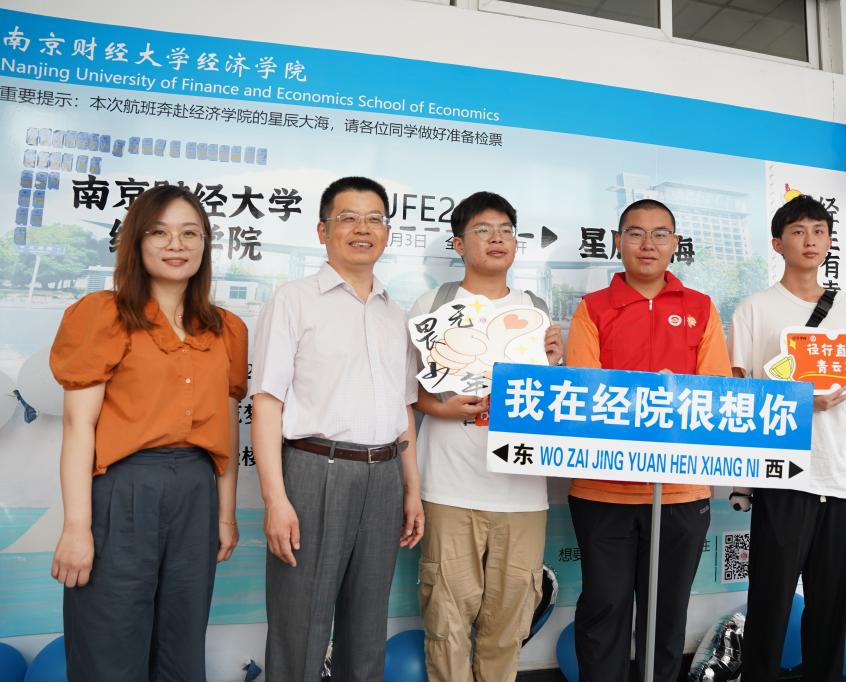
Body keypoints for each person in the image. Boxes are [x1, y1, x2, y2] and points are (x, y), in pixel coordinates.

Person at [49, 185, 248, 681]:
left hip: (196, 493)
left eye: (190, 233)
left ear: (205, 245)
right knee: (110, 640)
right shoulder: (103, 315)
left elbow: (227, 429)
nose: (176, 244)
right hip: (124, 491)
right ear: (137, 242)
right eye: (159, 232)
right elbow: (78, 426)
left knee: (182, 644)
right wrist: (76, 527)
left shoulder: (226, 328)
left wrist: (225, 514)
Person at [251, 176, 424, 681]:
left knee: (367, 628)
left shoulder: (395, 313)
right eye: (348, 218)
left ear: (387, 233)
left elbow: (403, 409)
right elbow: (266, 403)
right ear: (323, 230)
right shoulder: (293, 300)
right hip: (314, 471)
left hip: (385, 476)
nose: (362, 229)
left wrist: (412, 489)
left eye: (374, 219)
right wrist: (275, 500)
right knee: (300, 625)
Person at [564, 198, 731, 682]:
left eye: (660, 234)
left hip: (681, 491)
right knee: (604, 611)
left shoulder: (700, 308)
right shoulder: (593, 309)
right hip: (603, 489)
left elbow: (715, 392)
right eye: (635, 233)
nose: (647, 244)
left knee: (666, 615)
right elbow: (584, 391)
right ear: (618, 242)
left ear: (675, 244)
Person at [409, 191, 563, 682]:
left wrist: (554, 363)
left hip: (521, 490)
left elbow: (550, 400)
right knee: (446, 618)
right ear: (458, 244)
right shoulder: (434, 304)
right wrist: (443, 407)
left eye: (505, 230)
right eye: (482, 230)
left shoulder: (535, 309)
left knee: (509, 620)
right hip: (449, 487)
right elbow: (408, 394)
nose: (497, 239)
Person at [729, 194, 846, 681]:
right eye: (797, 231)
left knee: (831, 602)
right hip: (783, 472)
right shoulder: (755, 309)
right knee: (770, 598)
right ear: (777, 243)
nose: (810, 240)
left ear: (829, 241)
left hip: (838, 472)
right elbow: (739, 395)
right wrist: (799, 401)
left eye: (818, 231)